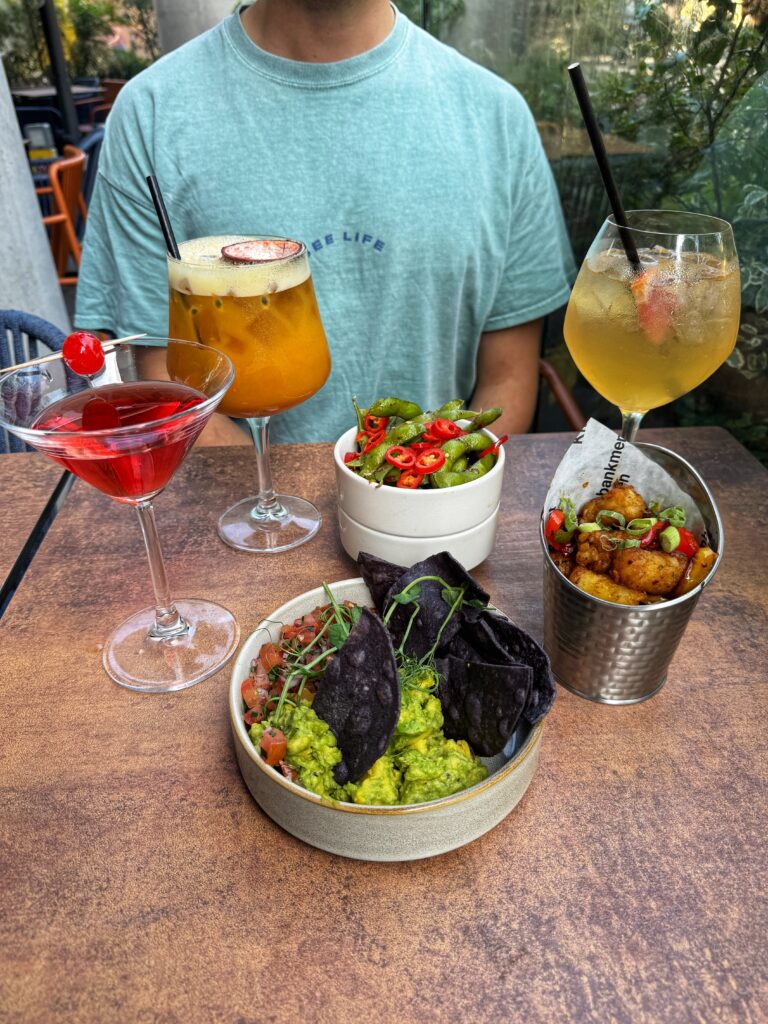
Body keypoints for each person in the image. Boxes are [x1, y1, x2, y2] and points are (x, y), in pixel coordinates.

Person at [75, 0, 575, 446]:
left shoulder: (498, 116)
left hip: (434, 502)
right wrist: (273, 504)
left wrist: (420, 494)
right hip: (233, 509)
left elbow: (507, 377)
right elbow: (162, 374)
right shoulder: (150, 112)